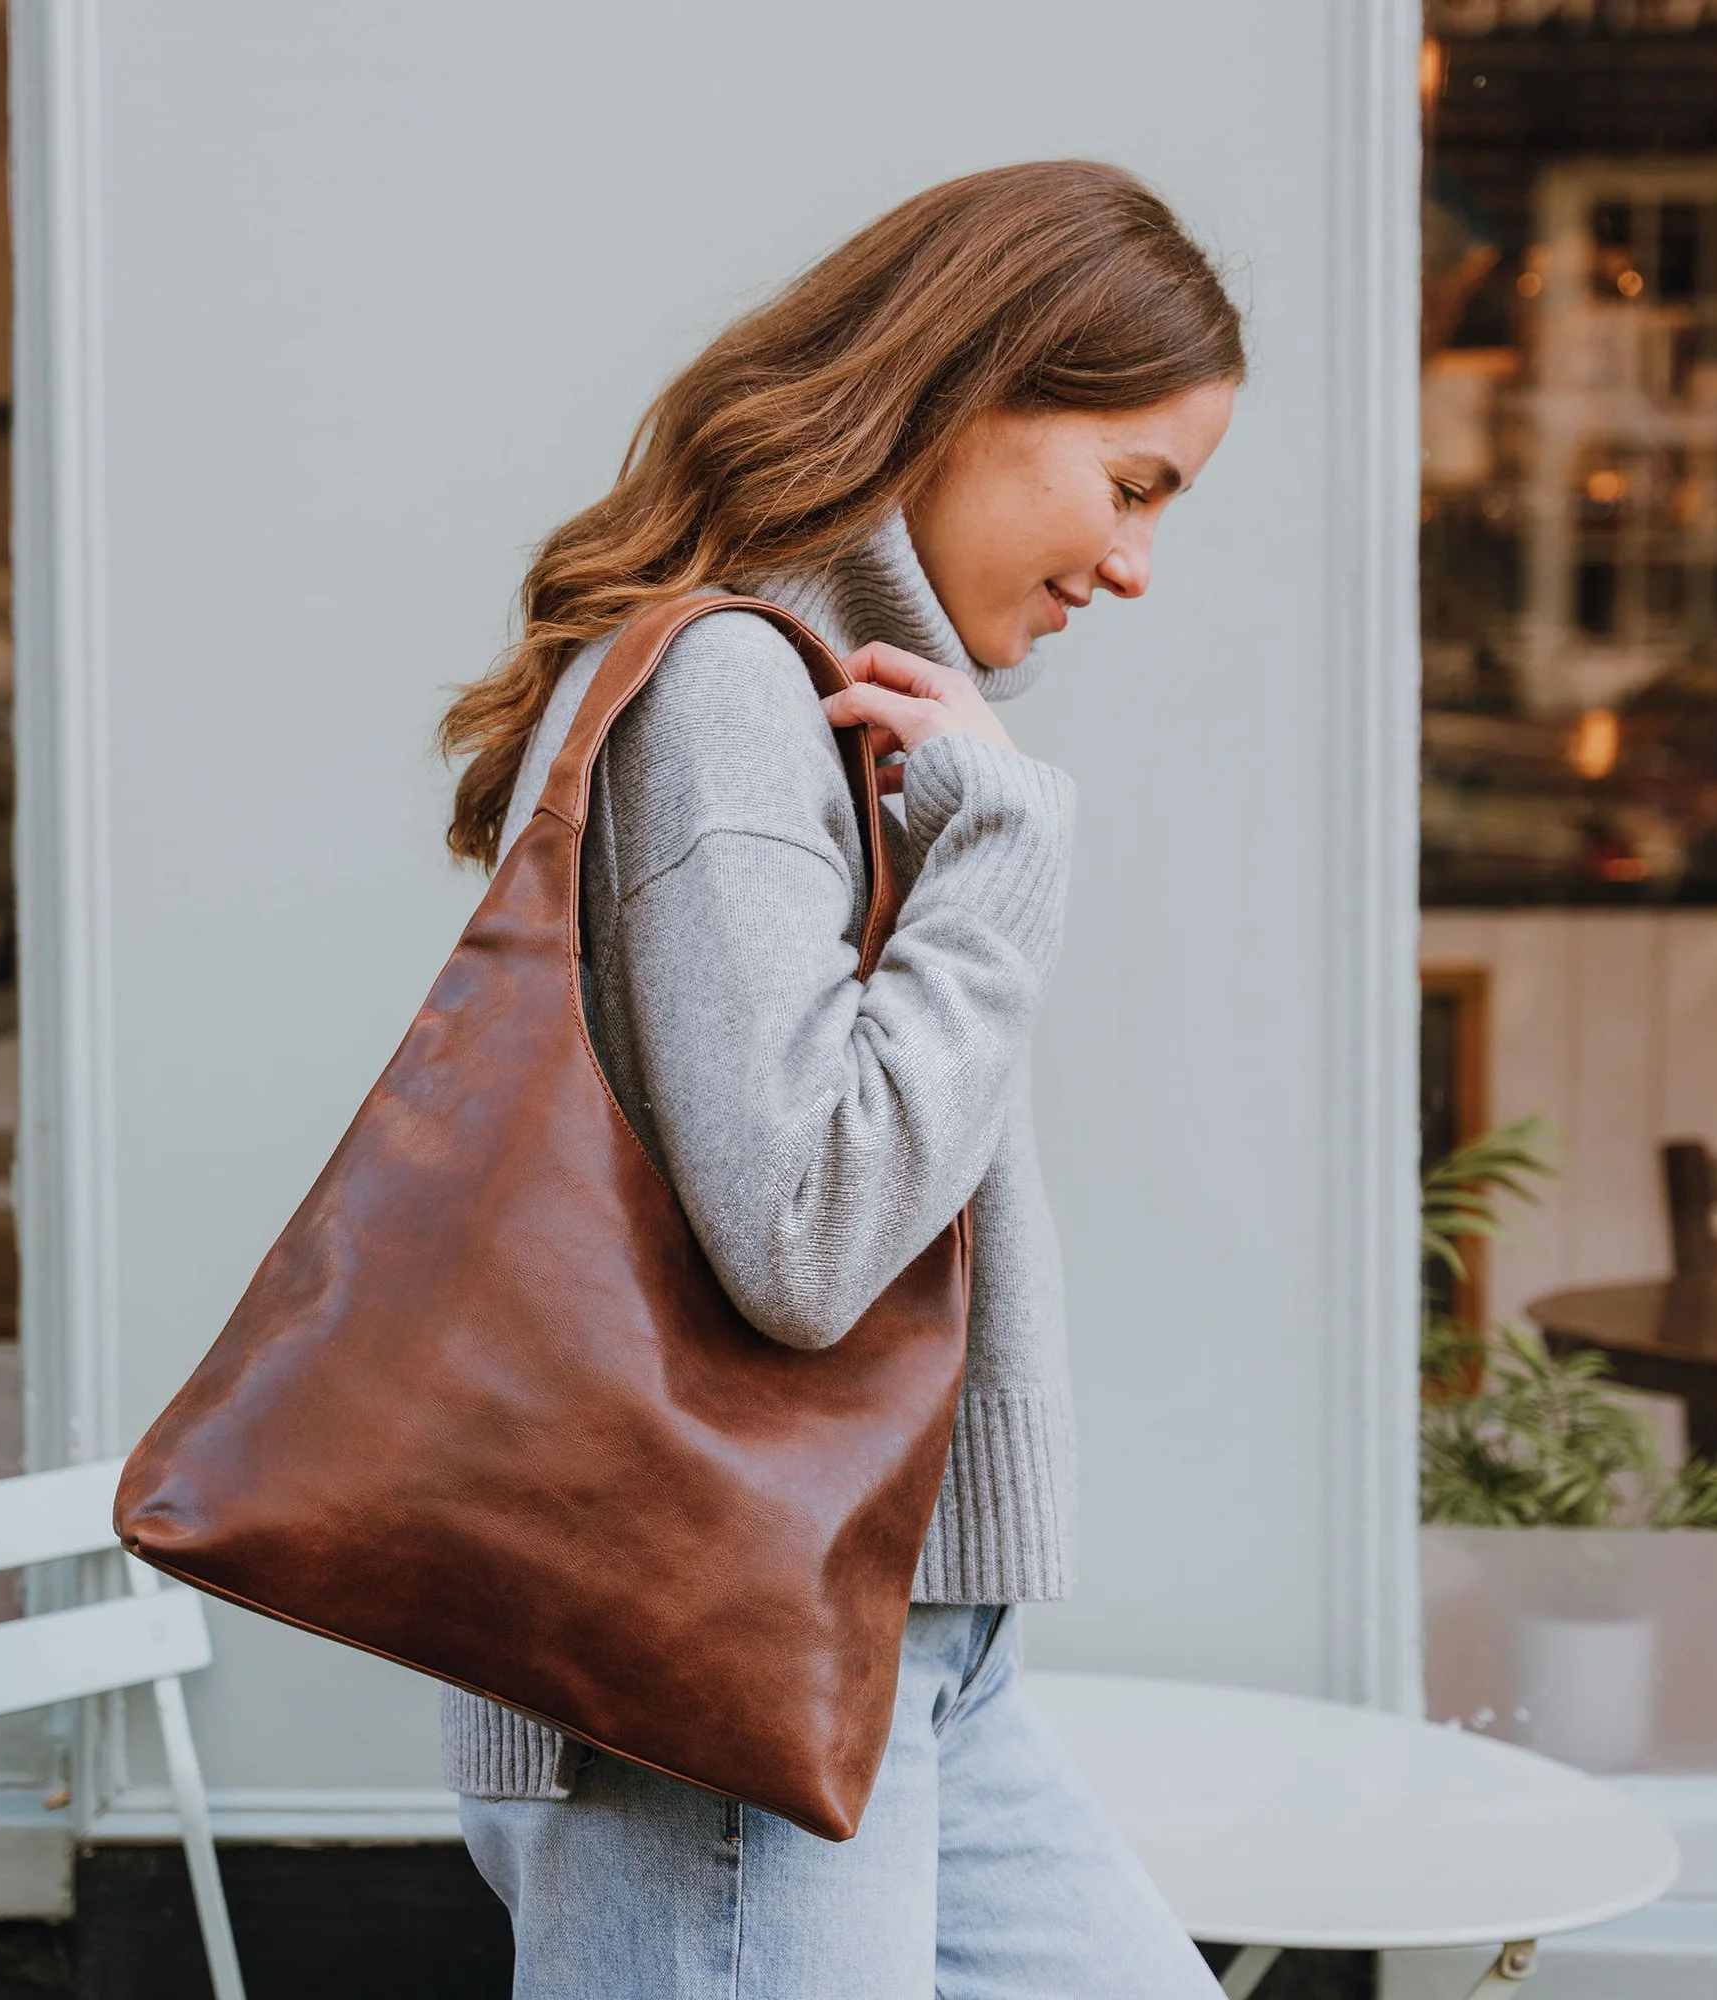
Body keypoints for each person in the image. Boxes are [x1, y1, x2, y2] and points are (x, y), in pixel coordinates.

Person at [437, 159, 1242, 1999]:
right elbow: (808, 1229)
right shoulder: (730, 690)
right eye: (1131, 487)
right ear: (969, 391)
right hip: (734, 1645)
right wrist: (1011, 859)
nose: (1133, 564)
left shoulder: (818, 697)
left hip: (897, 1633)